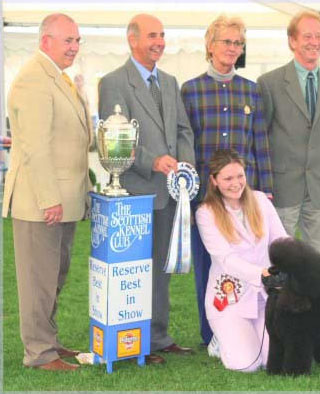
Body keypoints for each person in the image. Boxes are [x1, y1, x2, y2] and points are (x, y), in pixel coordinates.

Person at [98, 14, 195, 365]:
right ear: (132, 39)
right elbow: (115, 137)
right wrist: (153, 161)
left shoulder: (169, 81)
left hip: (171, 193)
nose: (160, 42)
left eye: (163, 35)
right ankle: (137, 341)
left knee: (163, 270)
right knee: (137, 272)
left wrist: (185, 166)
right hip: (136, 194)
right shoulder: (113, 82)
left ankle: (158, 336)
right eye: (153, 35)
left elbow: (184, 130)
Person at [2, 13, 92, 371]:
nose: (74, 47)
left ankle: (49, 341)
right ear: (45, 41)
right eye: (67, 40)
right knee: (38, 279)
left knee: (54, 275)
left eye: (77, 40)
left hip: (62, 199)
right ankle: (38, 353)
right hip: (42, 203)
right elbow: (36, 147)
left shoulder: (58, 78)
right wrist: (48, 198)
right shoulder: (34, 80)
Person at [181, 15, 273, 346]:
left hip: (243, 195)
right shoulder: (190, 90)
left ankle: (249, 326)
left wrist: (266, 190)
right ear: (210, 45)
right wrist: (188, 198)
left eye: (238, 43)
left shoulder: (252, 91)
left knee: (248, 261)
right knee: (209, 266)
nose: (233, 48)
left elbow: (260, 142)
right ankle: (214, 335)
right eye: (227, 42)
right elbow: (185, 145)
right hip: (206, 199)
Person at [257, 11, 320, 259]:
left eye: (319, 36)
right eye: (307, 36)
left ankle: (315, 301)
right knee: (279, 261)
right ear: (292, 41)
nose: (314, 42)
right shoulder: (269, 83)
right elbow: (261, 137)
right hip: (283, 187)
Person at [195, 149, 287, 372]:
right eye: (227, 178)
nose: (235, 183)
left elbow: (282, 239)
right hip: (230, 299)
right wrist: (263, 274)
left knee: (272, 360)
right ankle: (220, 341)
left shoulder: (260, 200)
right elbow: (226, 259)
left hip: (265, 298)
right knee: (246, 364)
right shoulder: (205, 212)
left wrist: (297, 263)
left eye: (240, 176)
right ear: (214, 181)